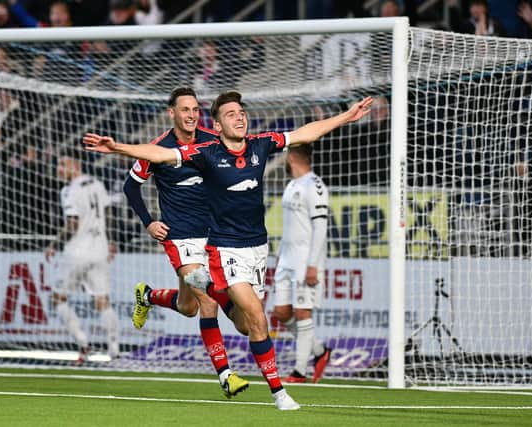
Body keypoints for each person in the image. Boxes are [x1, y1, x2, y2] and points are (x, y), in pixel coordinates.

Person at [83, 91, 373, 410]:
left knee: (237, 322)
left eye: (241, 112)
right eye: (230, 114)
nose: (238, 117)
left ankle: (179, 289)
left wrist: (347, 116)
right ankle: (264, 388)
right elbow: (160, 156)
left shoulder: (260, 144)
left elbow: (305, 132)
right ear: (217, 123)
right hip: (210, 244)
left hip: (254, 246)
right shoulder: (203, 151)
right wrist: (117, 149)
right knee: (247, 315)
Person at [123, 87, 250, 398]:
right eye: (185, 109)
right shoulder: (158, 149)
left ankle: (148, 296)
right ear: (172, 113)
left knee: (190, 307)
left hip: (215, 237)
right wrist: (149, 222)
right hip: (180, 240)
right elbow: (130, 187)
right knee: (208, 301)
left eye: (195, 109)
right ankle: (226, 376)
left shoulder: (212, 141)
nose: (192, 115)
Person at [44, 148, 119, 365]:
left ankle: (83, 345)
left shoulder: (70, 191)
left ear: (75, 166)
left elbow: (72, 224)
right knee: (102, 301)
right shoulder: (96, 183)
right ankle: (114, 350)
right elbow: (109, 214)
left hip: (77, 252)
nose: (58, 170)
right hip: (100, 249)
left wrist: (54, 244)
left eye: (62, 165)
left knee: (58, 298)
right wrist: (111, 241)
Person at [273, 143, 332, 384]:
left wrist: (312, 265)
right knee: (281, 312)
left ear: (291, 157)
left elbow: (320, 227)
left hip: (306, 261)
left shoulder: (315, 185)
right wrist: (279, 254)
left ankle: (299, 371)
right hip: (286, 259)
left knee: (302, 312)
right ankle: (319, 352)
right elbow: (291, 225)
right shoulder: (291, 185)